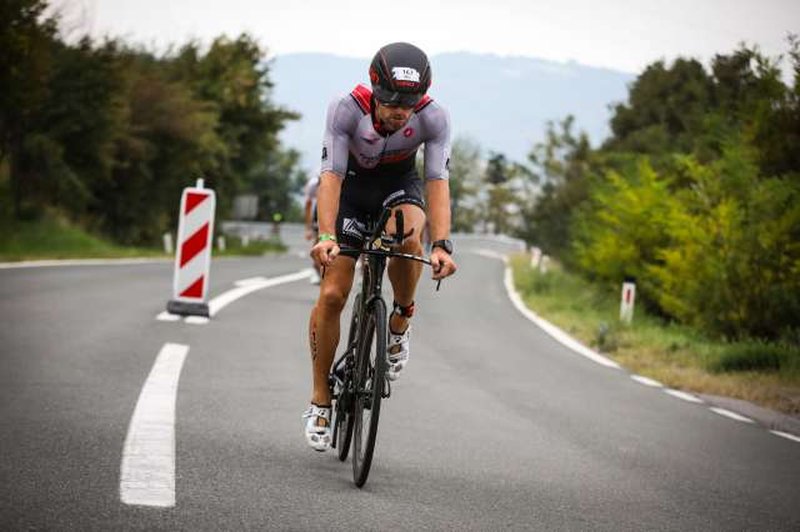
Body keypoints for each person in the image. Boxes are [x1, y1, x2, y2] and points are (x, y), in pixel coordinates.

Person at [303, 42, 457, 451]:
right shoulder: (346, 109)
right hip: (350, 189)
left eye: (408, 102)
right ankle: (320, 398)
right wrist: (326, 236)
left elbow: (437, 181)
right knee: (333, 293)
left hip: (398, 187)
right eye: (390, 101)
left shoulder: (434, 117)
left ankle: (402, 317)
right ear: (375, 90)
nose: (399, 111)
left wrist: (441, 244)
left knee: (409, 230)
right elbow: (331, 175)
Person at [302, 173, 322, 284]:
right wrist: (308, 229)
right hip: (319, 207)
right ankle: (315, 268)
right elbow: (308, 205)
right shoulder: (312, 184)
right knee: (318, 238)